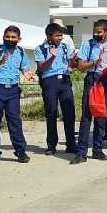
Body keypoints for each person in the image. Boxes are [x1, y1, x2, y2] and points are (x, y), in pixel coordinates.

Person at [0, 26, 36, 164]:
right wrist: (0, 62)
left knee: (14, 121)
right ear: (3, 37)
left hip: (12, 90)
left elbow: (24, 67)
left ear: (19, 39)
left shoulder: (21, 52)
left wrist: (27, 73)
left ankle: (20, 151)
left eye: (13, 37)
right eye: (7, 37)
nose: (10, 39)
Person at [70, 19, 107, 164]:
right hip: (91, 79)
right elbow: (81, 66)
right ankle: (81, 152)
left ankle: (97, 150)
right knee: (86, 116)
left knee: (101, 116)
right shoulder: (88, 45)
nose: (96, 34)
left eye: (99, 32)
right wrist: (95, 62)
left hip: (106, 80)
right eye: (94, 31)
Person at [35, 23, 78, 155]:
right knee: (51, 113)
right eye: (57, 35)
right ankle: (51, 145)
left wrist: (72, 60)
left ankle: (71, 144)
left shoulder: (65, 47)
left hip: (64, 81)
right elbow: (42, 68)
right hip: (50, 81)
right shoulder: (41, 49)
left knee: (69, 112)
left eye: (61, 35)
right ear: (49, 36)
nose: (60, 38)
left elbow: (72, 66)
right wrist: (52, 56)